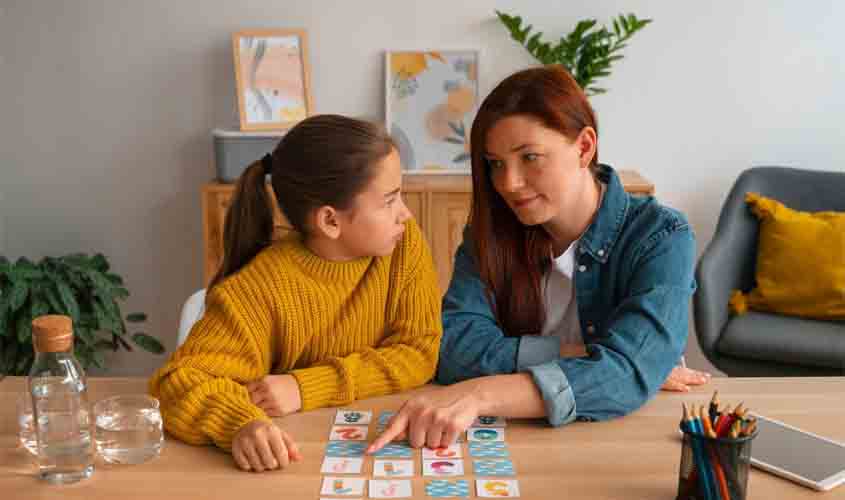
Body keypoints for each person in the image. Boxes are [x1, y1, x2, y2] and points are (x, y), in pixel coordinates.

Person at [369, 66, 708, 453]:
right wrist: (588, 357)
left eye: (529, 157)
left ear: (584, 147)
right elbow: (454, 349)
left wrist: (483, 394)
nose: (509, 183)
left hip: (623, 441)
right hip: (519, 441)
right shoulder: (491, 232)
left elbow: (626, 376)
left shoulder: (661, 237)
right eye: (495, 163)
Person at [150, 115, 443, 472]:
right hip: (299, 462)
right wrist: (240, 424)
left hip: (382, 447)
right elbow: (176, 384)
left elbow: (420, 351)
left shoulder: (403, 244)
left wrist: (304, 387)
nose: (406, 214)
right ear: (330, 221)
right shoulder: (257, 289)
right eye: (390, 201)